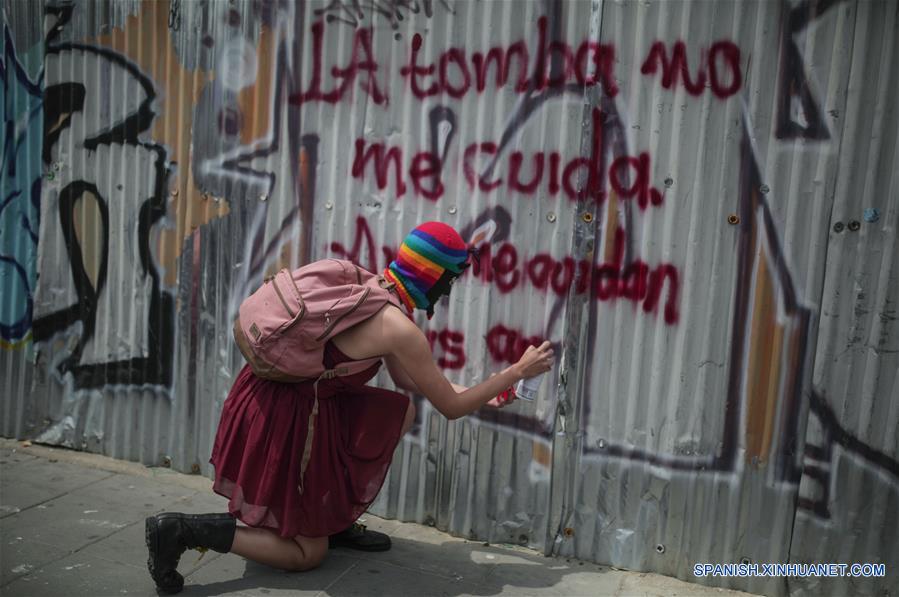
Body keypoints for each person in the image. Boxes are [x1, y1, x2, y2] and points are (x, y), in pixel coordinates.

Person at [145, 222, 555, 593]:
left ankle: (332, 519)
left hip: (267, 396)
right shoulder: (399, 328)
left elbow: (411, 383)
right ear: (431, 275)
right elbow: (450, 406)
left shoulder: (370, 288)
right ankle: (182, 531)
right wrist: (517, 370)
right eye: (449, 279)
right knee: (308, 555)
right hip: (291, 418)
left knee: (398, 410)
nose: (448, 291)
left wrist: (498, 391)